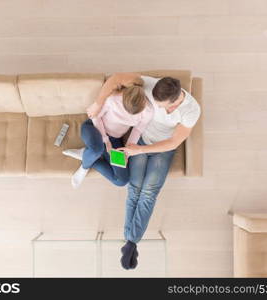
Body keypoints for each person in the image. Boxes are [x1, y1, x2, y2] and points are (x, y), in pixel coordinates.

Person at [87, 73, 201, 270]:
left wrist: (140, 150)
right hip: (138, 139)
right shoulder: (150, 84)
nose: (156, 107)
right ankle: (130, 242)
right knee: (134, 188)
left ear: (173, 104)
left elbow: (174, 141)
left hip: (162, 149)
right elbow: (115, 79)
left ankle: (131, 242)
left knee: (148, 193)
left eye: (161, 105)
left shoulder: (191, 110)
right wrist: (98, 104)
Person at [62, 80, 154, 189]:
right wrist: (106, 140)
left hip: (115, 140)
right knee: (97, 149)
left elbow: (137, 130)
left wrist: (127, 151)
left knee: (122, 180)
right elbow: (96, 116)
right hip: (94, 128)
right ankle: (84, 167)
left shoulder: (148, 111)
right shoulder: (113, 99)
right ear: (124, 98)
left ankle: (86, 155)